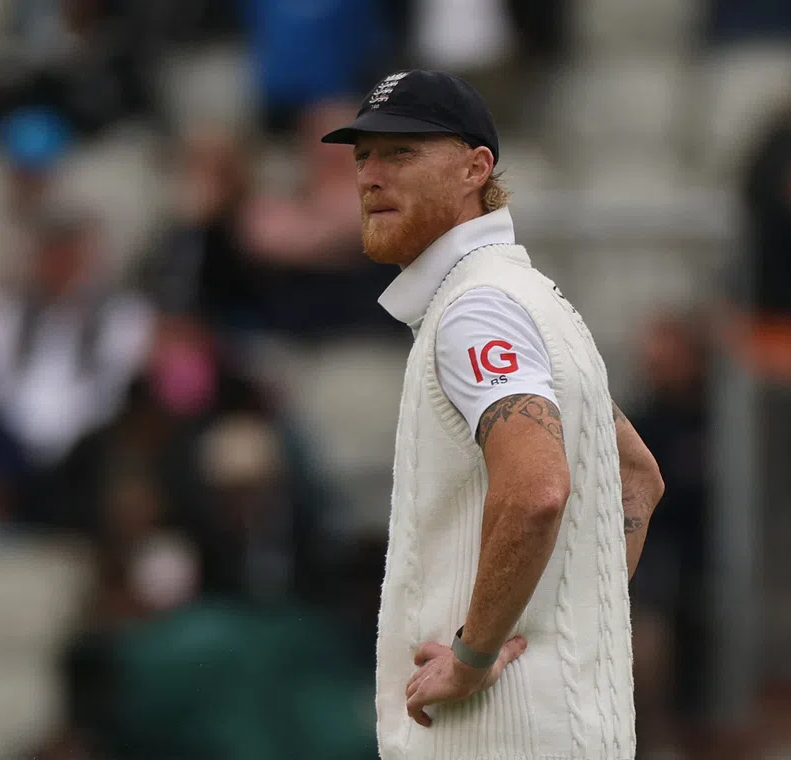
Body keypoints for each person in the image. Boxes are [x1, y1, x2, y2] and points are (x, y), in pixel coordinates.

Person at [320, 70, 665, 759]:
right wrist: (559, 626)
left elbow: (537, 490)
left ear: (476, 168)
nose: (371, 177)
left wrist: (473, 655)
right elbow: (636, 477)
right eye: (363, 157)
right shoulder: (530, 299)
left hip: (497, 734)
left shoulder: (476, 310)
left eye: (402, 152)